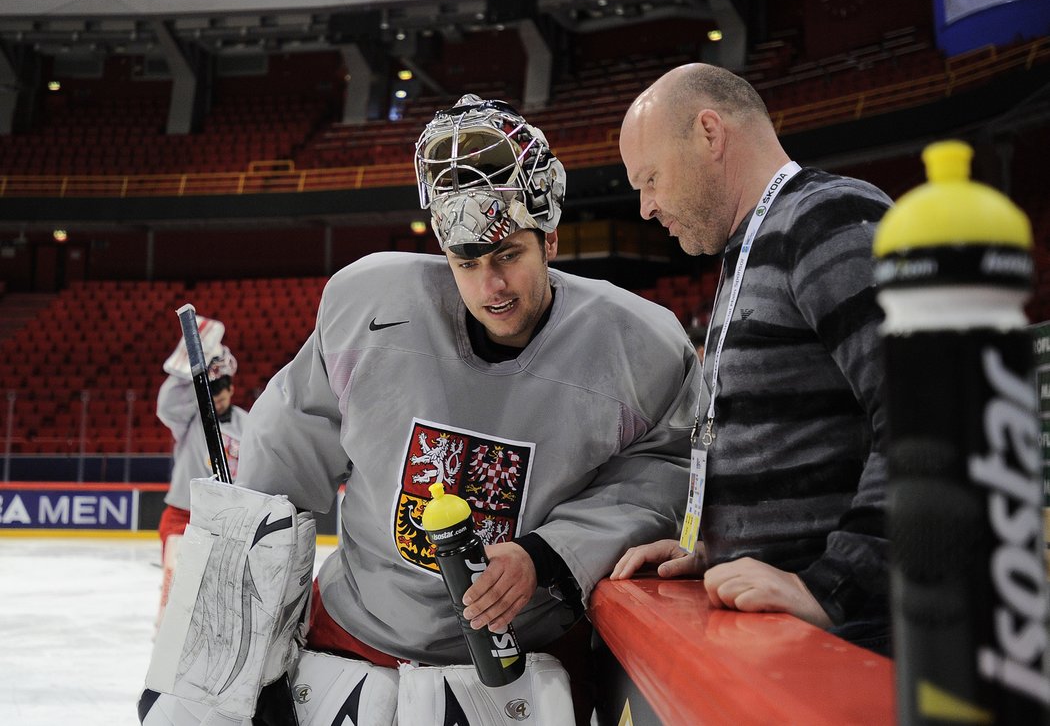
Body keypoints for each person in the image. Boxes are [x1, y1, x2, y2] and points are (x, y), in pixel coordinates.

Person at [141, 95, 699, 726]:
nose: (491, 287)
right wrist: (216, 662)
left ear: (549, 236)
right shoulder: (367, 304)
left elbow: (657, 476)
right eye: (466, 263)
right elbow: (279, 470)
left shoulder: (640, 344)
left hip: (520, 661)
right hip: (350, 640)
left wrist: (545, 555)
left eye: (509, 255)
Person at [611, 63, 892, 655]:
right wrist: (717, 548)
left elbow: (931, 413)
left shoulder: (828, 218)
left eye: (651, 178)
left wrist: (830, 587)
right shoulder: (754, 250)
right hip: (799, 624)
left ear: (709, 133)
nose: (646, 207)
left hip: (862, 633)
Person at [154, 334, 245, 629]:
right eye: (212, 394)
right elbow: (166, 407)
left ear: (232, 390)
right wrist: (183, 373)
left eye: (222, 393)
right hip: (183, 513)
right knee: (178, 574)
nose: (217, 400)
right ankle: (170, 632)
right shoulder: (191, 418)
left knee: (219, 589)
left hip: (225, 519)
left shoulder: (249, 424)